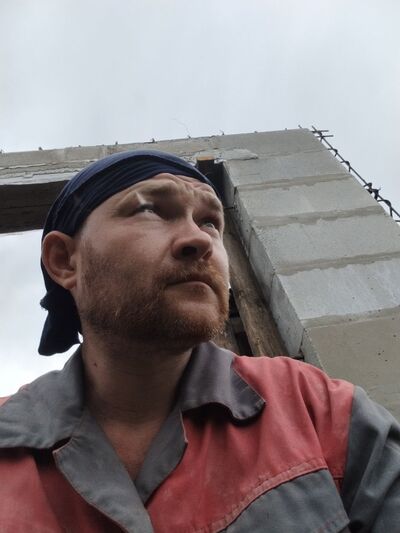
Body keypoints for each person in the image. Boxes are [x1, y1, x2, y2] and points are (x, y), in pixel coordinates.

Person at [0, 150, 399, 532]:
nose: (200, 240)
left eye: (210, 222)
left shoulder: (319, 409)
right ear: (65, 260)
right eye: (150, 209)